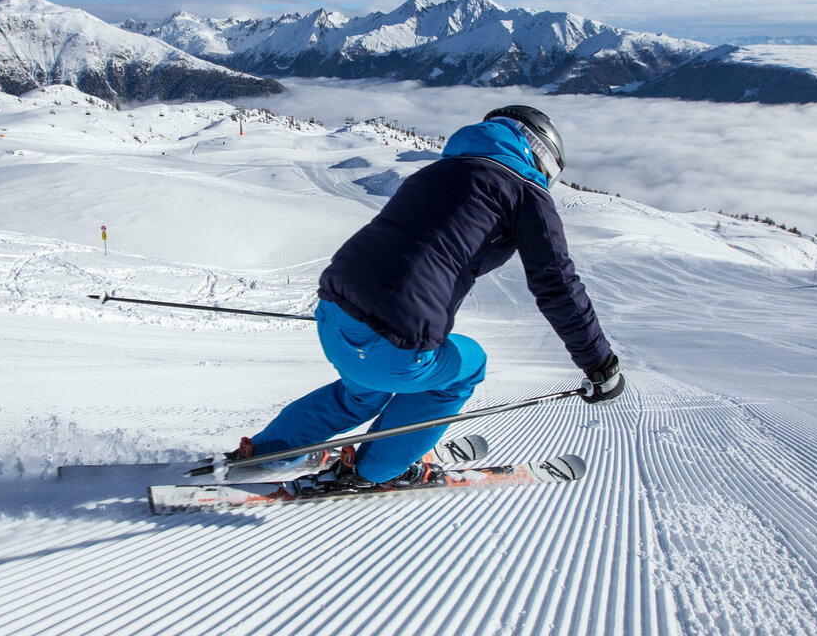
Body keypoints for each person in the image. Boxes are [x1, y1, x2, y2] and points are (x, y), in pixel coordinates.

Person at [240, 105, 624, 492]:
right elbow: (556, 283)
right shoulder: (525, 191)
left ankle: (268, 450)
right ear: (541, 154)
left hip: (332, 312)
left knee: (361, 392)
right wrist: (600, 364)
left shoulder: (435, 172)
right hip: (394, 340)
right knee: (467, 365)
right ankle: (373, 470)